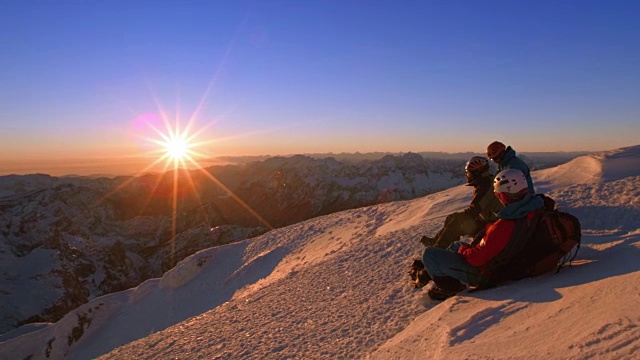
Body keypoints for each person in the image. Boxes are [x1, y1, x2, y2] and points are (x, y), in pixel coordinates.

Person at [419, 168, 544, 300]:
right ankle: (449, 273)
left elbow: (476, 258)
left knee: (430, 255)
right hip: (504, 261)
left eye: (498, 194)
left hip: (486, 273)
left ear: (505, 195)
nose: (498, 198)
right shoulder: (532, 210)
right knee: (456, 245)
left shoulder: (505, 225)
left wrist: (464, 249)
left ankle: (450, 288)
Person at [419, 156, 504, 249]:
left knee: (457, 221)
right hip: (490, 220)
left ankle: (438, 250)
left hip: (491, 225)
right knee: (452, 217)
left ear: (475, 173)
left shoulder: (485, 185)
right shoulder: (486, 181)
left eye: (468, 173)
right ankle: (436, 241)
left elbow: (474, 210)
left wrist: (461, 217)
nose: (467, 175)